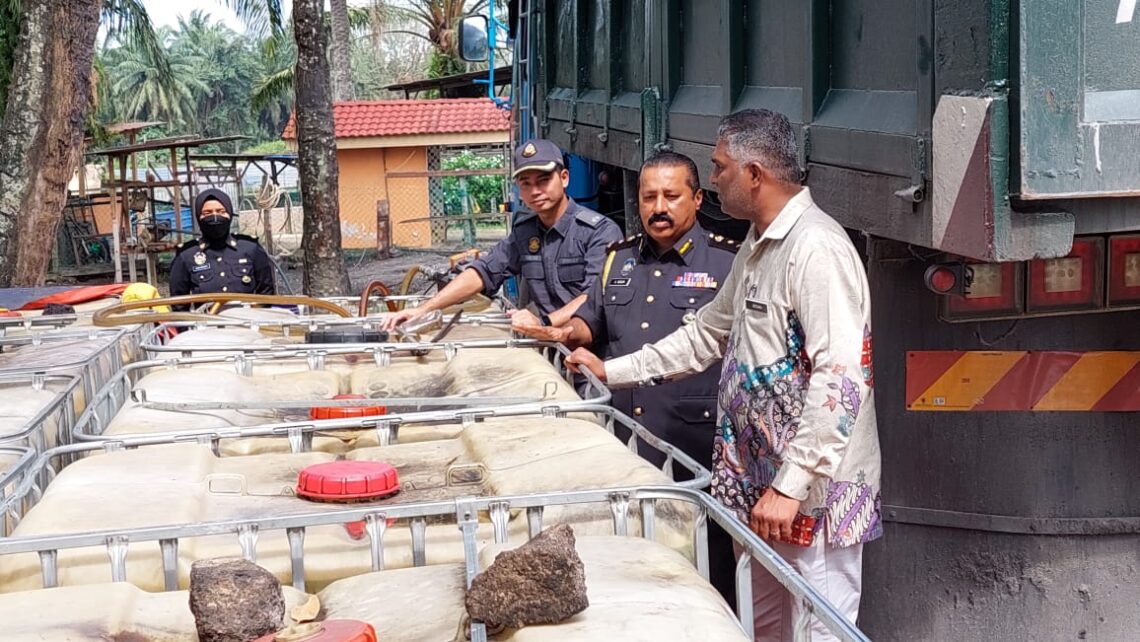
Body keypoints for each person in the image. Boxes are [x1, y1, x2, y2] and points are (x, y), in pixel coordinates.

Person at [565, 109, 882, 641]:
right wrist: (611, 370)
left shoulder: (816, 248)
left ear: (754, 174)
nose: (712, 181)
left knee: (820, 625)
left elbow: (841, 376)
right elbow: (706, 334)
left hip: (810, 494)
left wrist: (791, 484)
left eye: (719, 168)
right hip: (760, 486)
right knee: (763, 624)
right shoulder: (760, 246)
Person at [513, 150, 740, 605]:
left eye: (672, 196)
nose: (659, 207)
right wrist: (563, 332)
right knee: (632, 565)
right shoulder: (619, 260)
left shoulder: (725, 264)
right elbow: (592, 321)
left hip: (695, 446)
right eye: (648, 196)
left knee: (707, 573)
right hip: (623, 440)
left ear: (696, 199)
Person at [384, 139, 622, 330]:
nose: (535, 191)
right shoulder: (525, 231)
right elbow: (485, 270)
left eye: (543, 180)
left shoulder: (598, 231)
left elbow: (592, 297)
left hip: (591, 347)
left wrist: (542, 322)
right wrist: (423, 310)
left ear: (564, 178)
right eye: (526, 183)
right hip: (547, 342)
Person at [169, 189, 276, 300]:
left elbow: (266, 292)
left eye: (220, 211)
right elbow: (178, 301)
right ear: (198, 217)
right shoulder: (186, 255)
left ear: (229, 214)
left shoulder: (250, 248)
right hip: (206, 316)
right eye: (207, 213)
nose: (215, 217)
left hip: (245, 315)